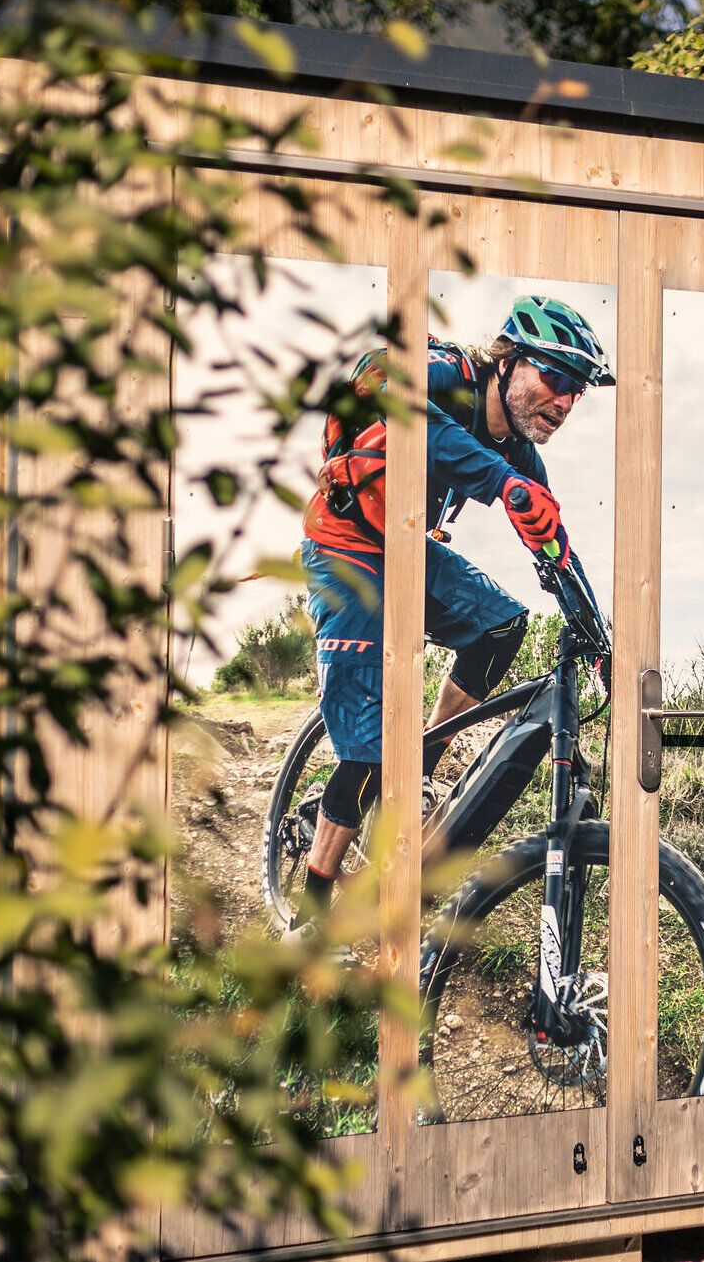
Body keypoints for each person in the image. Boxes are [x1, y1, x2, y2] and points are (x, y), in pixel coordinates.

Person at [289, 295, 613, 933]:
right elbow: (381, 386)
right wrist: (499, 482)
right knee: (368, 749)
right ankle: (310, 908)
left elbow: (556, 549)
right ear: (509, 362)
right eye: (555, 378)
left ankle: (420, 766)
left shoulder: (521, 458)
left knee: (502, 623)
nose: (565, 402)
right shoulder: (449, 373)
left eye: (577, 392)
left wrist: (600, 641)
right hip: (345, 547)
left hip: (412, 549)